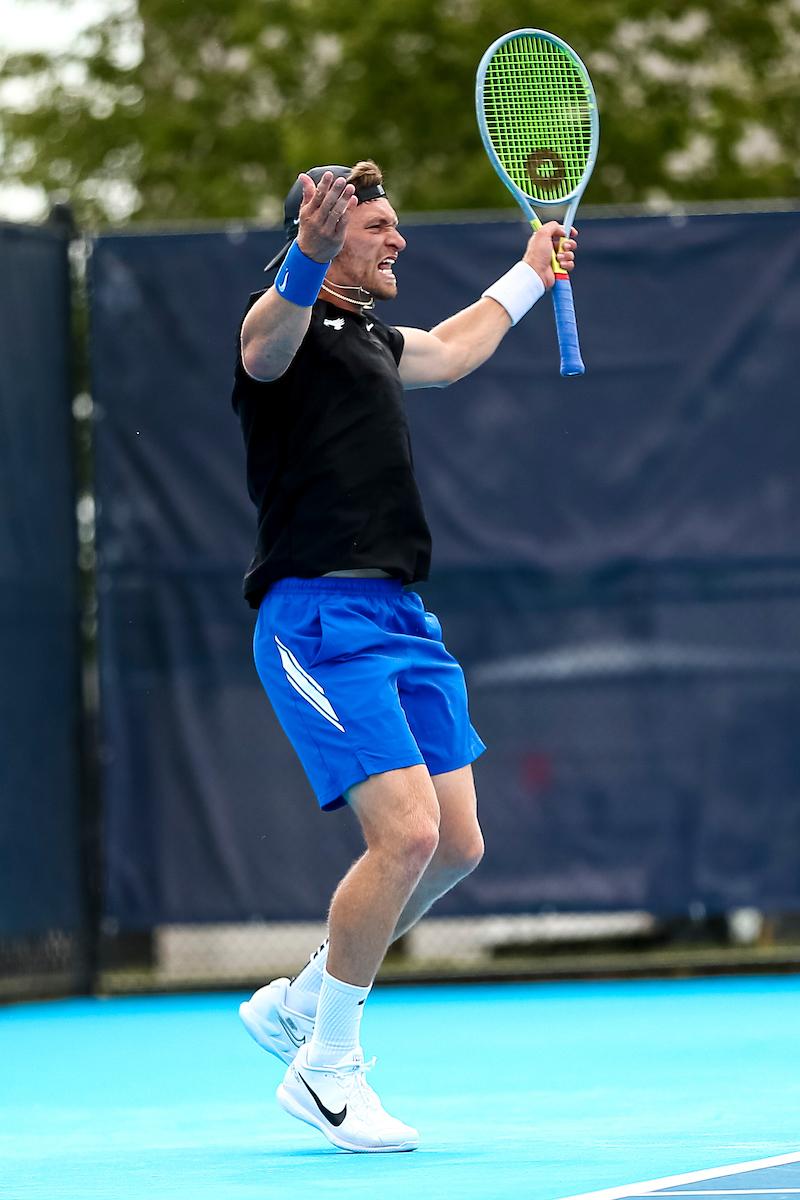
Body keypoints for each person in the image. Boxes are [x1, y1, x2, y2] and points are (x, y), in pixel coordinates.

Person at [233, 161, 577, 1153]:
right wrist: (306, 244)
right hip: (315, 624)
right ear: (330, 235)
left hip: (400, 621)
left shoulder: (374, 341)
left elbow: (455, 349)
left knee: (457, 844)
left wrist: (526, 274)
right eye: (378, 226)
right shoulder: (282, 332)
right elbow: (262, 342)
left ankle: (301, 1001)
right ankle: (326, 1068)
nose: (397, 241)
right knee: (407, 837)